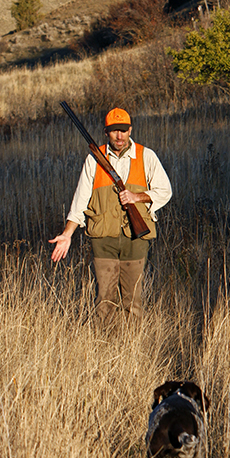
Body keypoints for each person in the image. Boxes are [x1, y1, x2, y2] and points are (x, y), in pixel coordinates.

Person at [49, 107, 172, 324]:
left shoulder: (146, 156)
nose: (119, 136)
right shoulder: (94, 160)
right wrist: (67, 234)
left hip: (136, 238)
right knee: (104, 299)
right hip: (103, 239)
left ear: (130, 130)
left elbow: (165, 191)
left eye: (123, 130)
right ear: (106, 132)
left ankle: (131, 350)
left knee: (133, 300)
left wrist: (137, 197)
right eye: (114, 131)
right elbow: (80, 201)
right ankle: (104, 349)